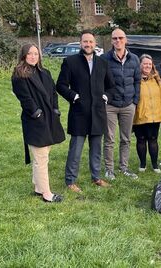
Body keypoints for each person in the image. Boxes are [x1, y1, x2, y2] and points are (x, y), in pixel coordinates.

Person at [56, 30, 115, 192]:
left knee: (96, 149)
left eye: (91, 42)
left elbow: (111, 86)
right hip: (79, 113)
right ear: (80, 43)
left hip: (98, 113)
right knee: (75, 150)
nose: (88, 44)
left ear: (95, 44)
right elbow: (60, 85)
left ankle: (96, 177)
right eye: (85, 42)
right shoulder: (70, 62)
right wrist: (73, 96)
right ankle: (70, 181)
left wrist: (106, 96)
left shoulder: (103, 63)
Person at [12, 43, 65, 202]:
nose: (33, 56)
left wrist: (55, 109)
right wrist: (37, 113)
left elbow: (53, 93)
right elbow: (25, 99)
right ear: (24, 55)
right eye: (30, 54)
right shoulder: (20, 75)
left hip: (49, 118)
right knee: (41, 157)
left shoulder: (45, 72)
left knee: (43, 155)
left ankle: (38, 187)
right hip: (35, 120)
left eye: (36, 53)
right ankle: (46, 193)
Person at [101, 28, 141, 180]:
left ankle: (124, 168)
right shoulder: (104, 59)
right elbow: (101, 81)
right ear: (111, 41)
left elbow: (137, 81)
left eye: (120, 38)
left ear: (126, 40)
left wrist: (135, 101)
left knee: (126, 139)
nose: (118, 41)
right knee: (109, 139)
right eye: (115, 38)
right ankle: (109, 169)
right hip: (110, 105)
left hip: (128, 105)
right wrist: (104, 98)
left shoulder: (134, 59)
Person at [133, 54, 161, 173]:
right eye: (145, 63)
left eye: (149, 64)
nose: (147, 66)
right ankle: (142, 164)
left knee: (153, 139)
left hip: (155, 115)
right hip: (140, 114)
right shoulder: (135, 79)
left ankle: (155, 165)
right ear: (140, 65)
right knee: (141, 139)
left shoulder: (157, 79)